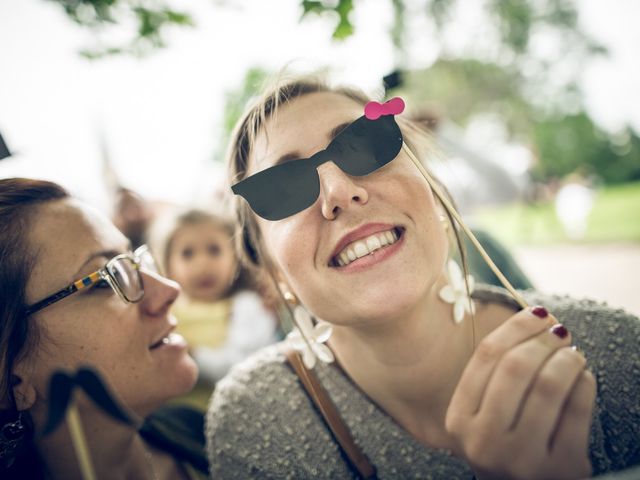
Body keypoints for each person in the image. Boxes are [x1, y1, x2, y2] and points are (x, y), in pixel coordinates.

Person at [205, 77, 640, 479]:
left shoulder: (615, 357)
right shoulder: (258, 419)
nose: (339, 191)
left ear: (433, 187)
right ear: (274, 274)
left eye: (366, 145)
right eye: (283, 186)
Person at [0, 178, 208, 479]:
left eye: (134, 262)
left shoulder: (200, 430)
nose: (169, 290)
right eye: (103, 280)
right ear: (13, 375)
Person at [153, 209, 279, 407]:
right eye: (188, 254)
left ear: (236, 256)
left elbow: (245, 367)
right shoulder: (163, 312)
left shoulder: (247, 306)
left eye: (214, 250)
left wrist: (193, 354)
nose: (203, 265)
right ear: (167, 263)